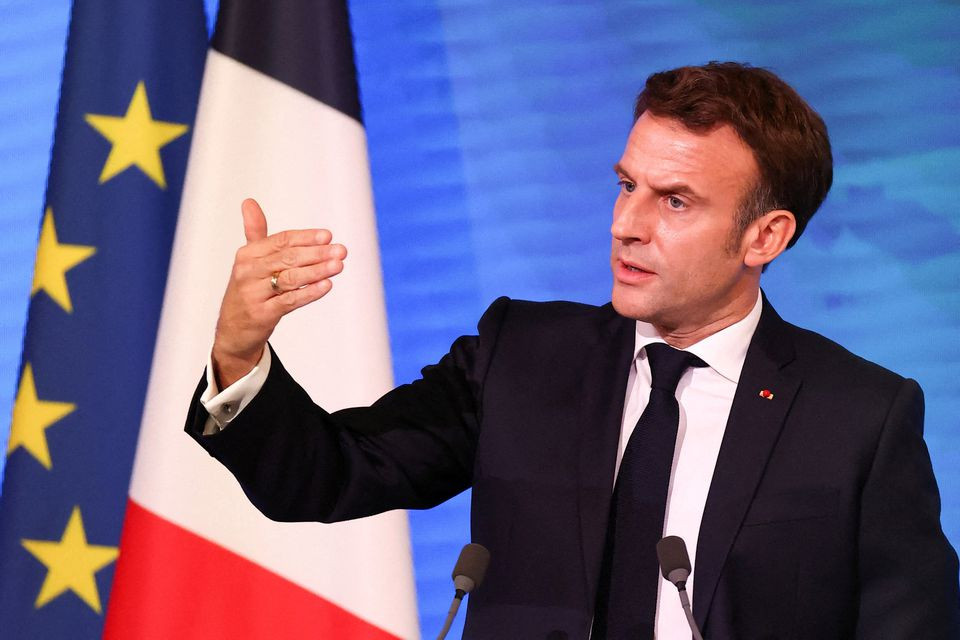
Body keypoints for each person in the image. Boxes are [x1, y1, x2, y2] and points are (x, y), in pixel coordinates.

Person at [185, 62, 960, 639]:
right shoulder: (521, 356)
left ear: (766, 236)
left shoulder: (857, 417)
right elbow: (325, 476)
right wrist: (238, 353)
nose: (628, 223)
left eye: (675, 201)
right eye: (627, 185)